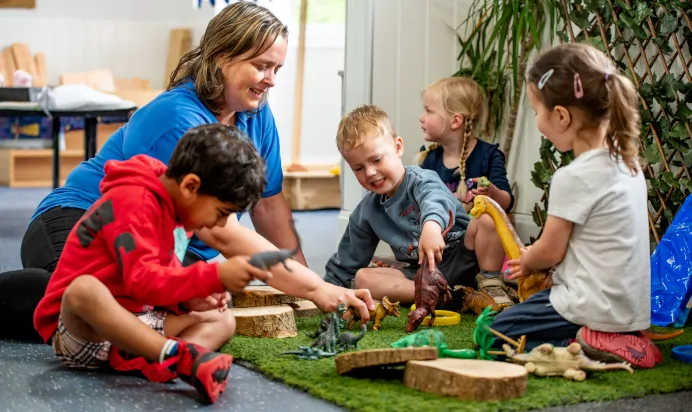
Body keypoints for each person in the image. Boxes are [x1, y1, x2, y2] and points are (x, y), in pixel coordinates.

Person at [0, 1, 374, 342]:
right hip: (80, 222)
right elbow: (221, 233)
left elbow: (269, 206)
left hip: (166, 246)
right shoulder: (175, 118)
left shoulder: (257, 115)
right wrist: (314, 287)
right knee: (99, 313)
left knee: (182, 305)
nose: (272, 80)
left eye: (277, 68)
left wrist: (306, 289)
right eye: (261, 66)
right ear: (221, 56)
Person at [34, 124, 275, 403]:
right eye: (221, 213)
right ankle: (175, 357)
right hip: (87, 331)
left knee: (223, 318)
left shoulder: (179, 213)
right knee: (83, 289)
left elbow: (163, 278)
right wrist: (213, 275)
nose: (218, 224)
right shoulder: (133, 201)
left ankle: (152, 359)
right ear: (190, 186)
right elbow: (143, 281)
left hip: (137, 319)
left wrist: (190, 300)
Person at [490, 43, 661, 369]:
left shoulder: (574, 177)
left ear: (561, 116)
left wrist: (527, 261)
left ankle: (585, 341)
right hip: (629, 309)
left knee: (496, 332)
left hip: (589, 306)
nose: (538, 122)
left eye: (537, 112)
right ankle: (620, 336)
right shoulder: (629, 164)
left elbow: (551, 252)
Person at [323, 105, 503, 309]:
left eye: (376, 160)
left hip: (465, 257)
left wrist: (432, 227)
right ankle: (451, 297)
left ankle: (490, 282)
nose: (370, 172)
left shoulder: (421, 179)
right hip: (423, 273)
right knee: (364, 278)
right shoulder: (366, 212)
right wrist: (327, 289)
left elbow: (435, 199)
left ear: (398, 147)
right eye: (359, 168)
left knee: (487, 216)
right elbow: (347, 262)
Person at [415, 77, 514, 307]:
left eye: (428, 111)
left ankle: (490, 281)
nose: (422, 117)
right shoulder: (429, 157)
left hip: (474, 247)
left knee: (490, 215)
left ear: (456, 120)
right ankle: (452, 288)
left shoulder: (488, 155)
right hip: (443, 250)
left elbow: (506, 203)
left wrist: (492, 193)